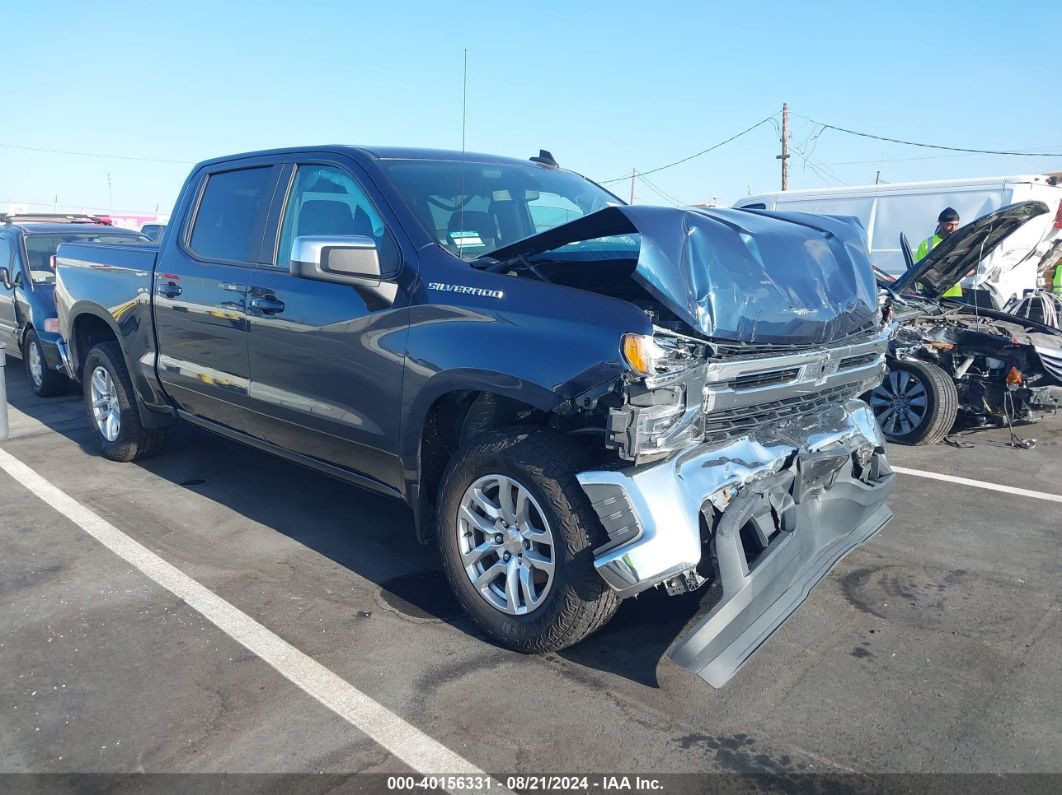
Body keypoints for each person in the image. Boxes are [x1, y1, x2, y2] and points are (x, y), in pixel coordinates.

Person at [915, 207, 963, 298]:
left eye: (956, 225)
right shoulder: (926, 244)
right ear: (940, 223)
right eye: (950, 224)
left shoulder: (962, 242)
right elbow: (918, 270)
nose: (953, 228)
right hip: (930, 294)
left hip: (953, 295)